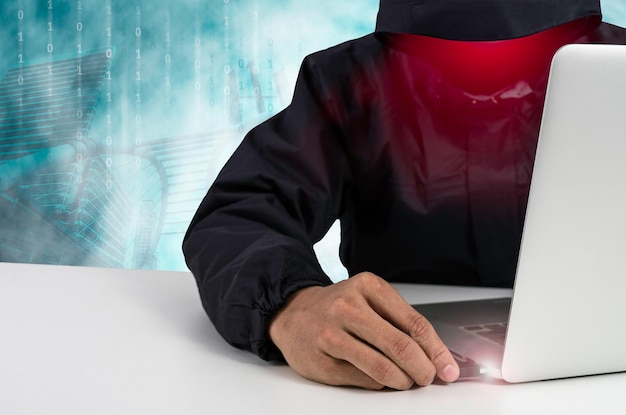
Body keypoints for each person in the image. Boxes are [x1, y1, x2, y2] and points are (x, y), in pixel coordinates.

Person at [183, 0, 626, 390]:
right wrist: (291, 303)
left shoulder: (614, 71)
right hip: (396, 381)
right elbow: (239, 213)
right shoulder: (350, 83)